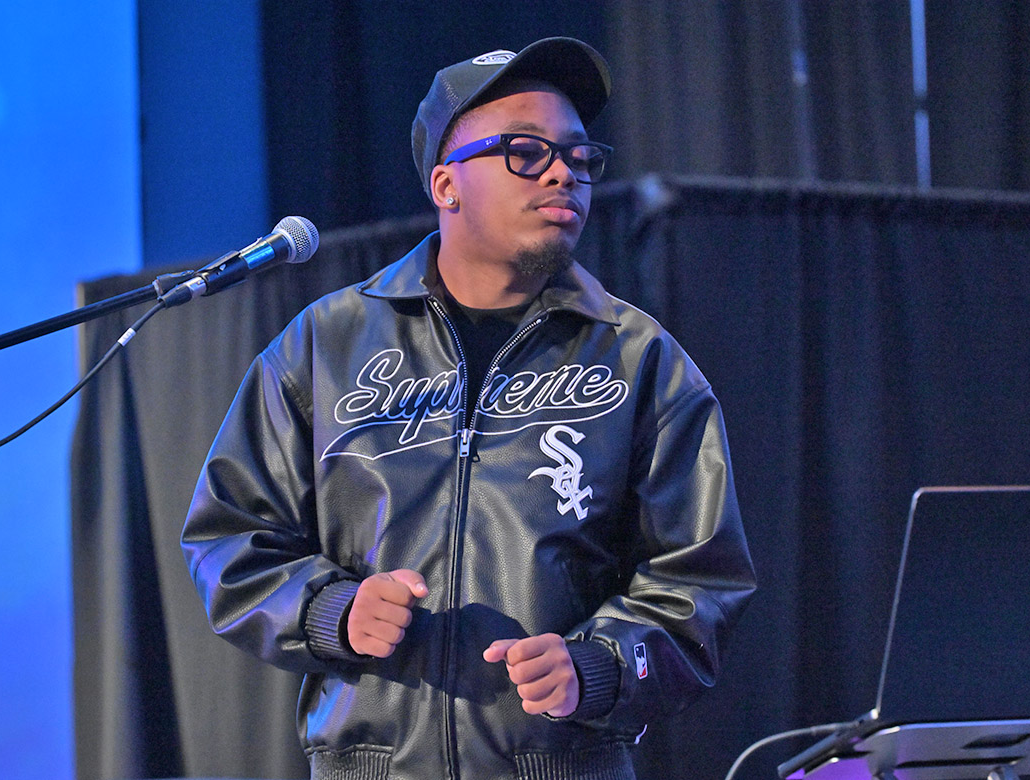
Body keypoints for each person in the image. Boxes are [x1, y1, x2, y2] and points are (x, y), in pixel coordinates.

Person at [181, 37, 756, 780]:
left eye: (579, 158)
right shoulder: (326, 346)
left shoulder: (640, 359)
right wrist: (332, 611)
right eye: (525, 151)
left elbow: (701, 582)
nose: (562, 173)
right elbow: (229, 537)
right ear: (446, 185)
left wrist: (599, 666)